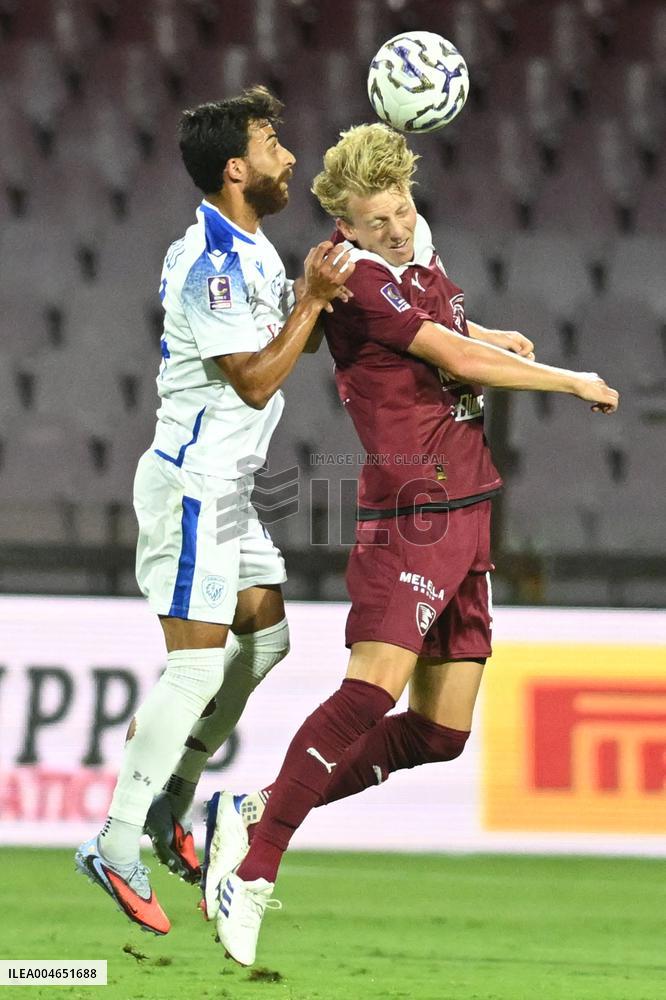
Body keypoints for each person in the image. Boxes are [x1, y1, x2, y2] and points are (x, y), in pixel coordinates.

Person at [204, 122, 619, 966]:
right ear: (345, 226)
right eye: (377, 218)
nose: (395, 227)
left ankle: (254, 808)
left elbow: (447, 331)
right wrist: (566, 378)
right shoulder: (357, 276)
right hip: (414, 510)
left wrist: (488, 334)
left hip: (469, 507)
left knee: (440, 732)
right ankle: (249, 874)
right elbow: (436, 348)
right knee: (369, 693)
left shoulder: (415, 252)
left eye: (401, 210)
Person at [74, 86, 353, 936]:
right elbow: (255, 377)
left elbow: (280, 343)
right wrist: (310, 300)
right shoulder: (212, 266)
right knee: (194, 669)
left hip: (228, 488)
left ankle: (172, 804)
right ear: (236, 168)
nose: (289, 157)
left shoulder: (256, 252)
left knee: (267, 636)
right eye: (273, 143)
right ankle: (117, 842)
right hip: (194, 486)